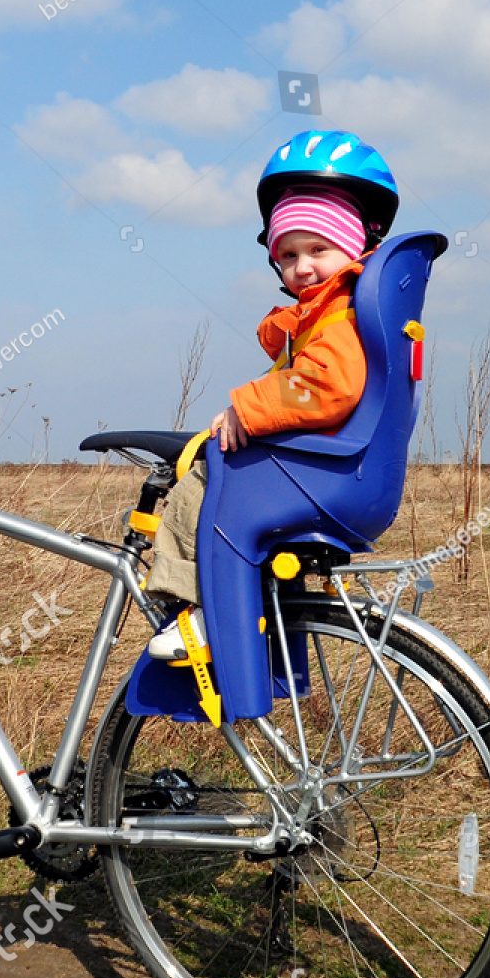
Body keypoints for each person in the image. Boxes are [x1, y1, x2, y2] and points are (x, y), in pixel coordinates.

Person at [146, 129, 399, 661]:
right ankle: (243, 608)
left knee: (199, 489)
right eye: (288, 254)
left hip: (320, 473)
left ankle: (200, 612)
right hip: (331, 470)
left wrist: (248, 409)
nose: (302, 266)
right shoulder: (330, 313)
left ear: (354, 247)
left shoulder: (340, 317)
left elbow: (328, 386)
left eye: (318, 249)